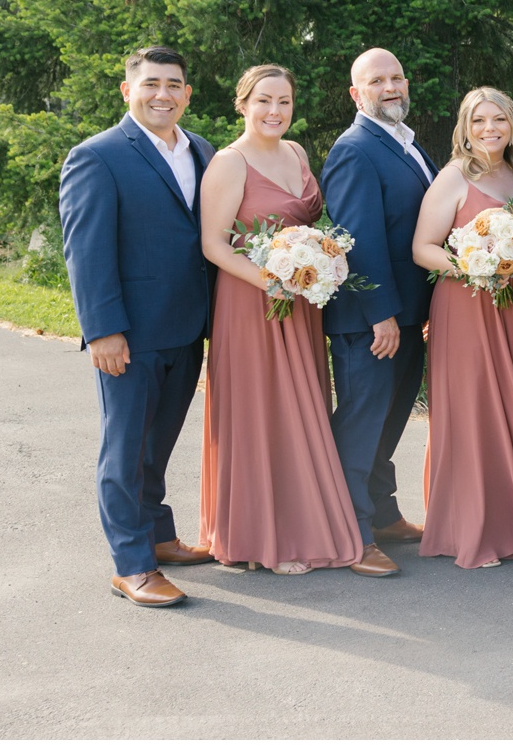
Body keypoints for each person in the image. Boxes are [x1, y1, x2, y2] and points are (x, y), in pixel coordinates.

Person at [60, 47, 217, 607]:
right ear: (127, 91)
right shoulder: (97, 156)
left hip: (188, 326)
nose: (163, 94)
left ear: (187, 94)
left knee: (159, 444)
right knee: (124, 449)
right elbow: (86, 250)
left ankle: (159, 534)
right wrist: (103, 330)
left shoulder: (201, 149)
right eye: (151, 83)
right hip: (129, 333)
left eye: (174, 84)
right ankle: (131, 564)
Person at [197, 65, 364, 575]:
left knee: (301, 408)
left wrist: (319, 264)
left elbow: (312, 225)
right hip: (253, 304)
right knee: (261, 411)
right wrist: (273, 282)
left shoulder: (297, 154)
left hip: (300, 305)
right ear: (242, 103)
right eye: (265, 100)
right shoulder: (229, 163)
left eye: (285, 102)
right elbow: (212, 245)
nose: (275, 111)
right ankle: (259, 537)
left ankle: (300, 524)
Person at [411, 88, 513, 573]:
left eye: (498, 119)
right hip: (468, 306)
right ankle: (472, 528)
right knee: (474, 413)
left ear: (512, 124)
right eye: (479, 120)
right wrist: (473, 265)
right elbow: (423, 248)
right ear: (465, 127)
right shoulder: (454, 177)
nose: (489, 128)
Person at [320, 48, 438, 577]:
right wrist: (381, 315)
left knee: (390, 421)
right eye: (376, 80)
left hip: (408, 313)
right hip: (372, 321)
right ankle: (352, 535)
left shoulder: (406, 144)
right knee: (363, 424)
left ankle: (384, 515)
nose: (390, 87)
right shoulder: (354, 149)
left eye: (396, 77)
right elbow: (357, 240)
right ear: (356, 93)